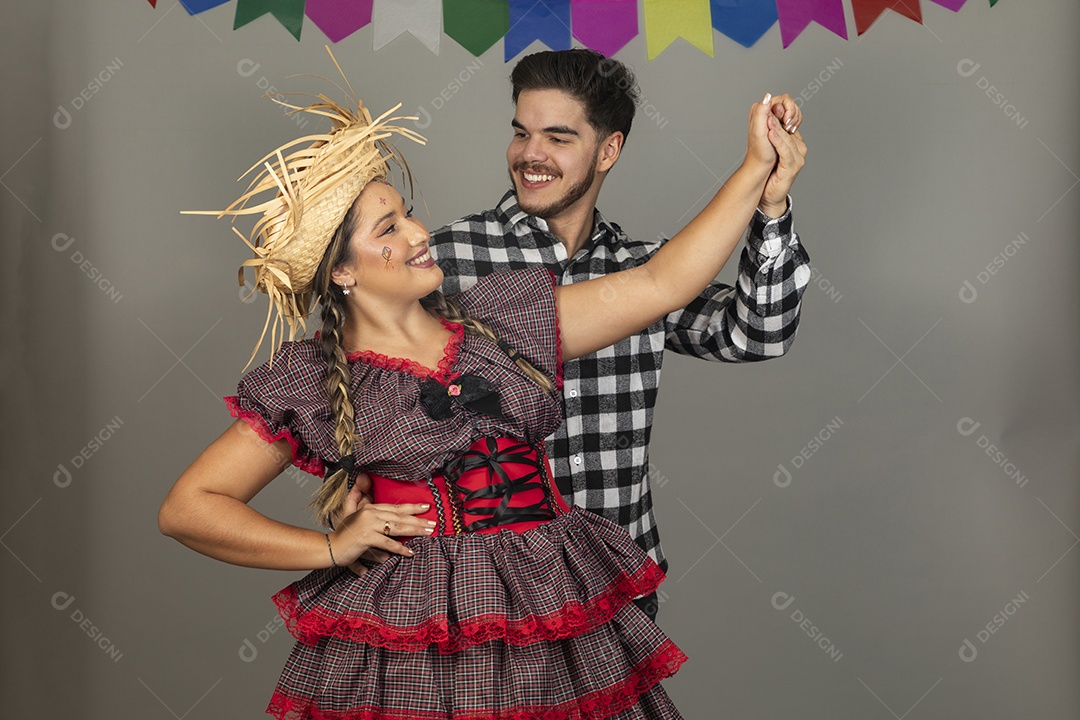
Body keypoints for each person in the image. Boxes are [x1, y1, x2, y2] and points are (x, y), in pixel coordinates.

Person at [160, 49, 805, 719]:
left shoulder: (503, 318)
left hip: (568, 602)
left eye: (407, 214)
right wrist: (328, 545)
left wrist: (758, 170)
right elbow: (190, 506)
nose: (418, 233)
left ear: (608, 149)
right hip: (423, 631)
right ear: (344, 272)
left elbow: (664, 282)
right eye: (391, 227)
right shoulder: (320, 377)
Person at [345, 49, 812, 621]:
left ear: (608, 150)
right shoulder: (442, 260)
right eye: (521, 133)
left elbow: (758, 332)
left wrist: (771, 203)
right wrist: (364, 481)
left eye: (558, 137)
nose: (530, 155)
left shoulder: (648, 269)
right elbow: (363, 378)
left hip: (615, 587)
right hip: (481, 602)